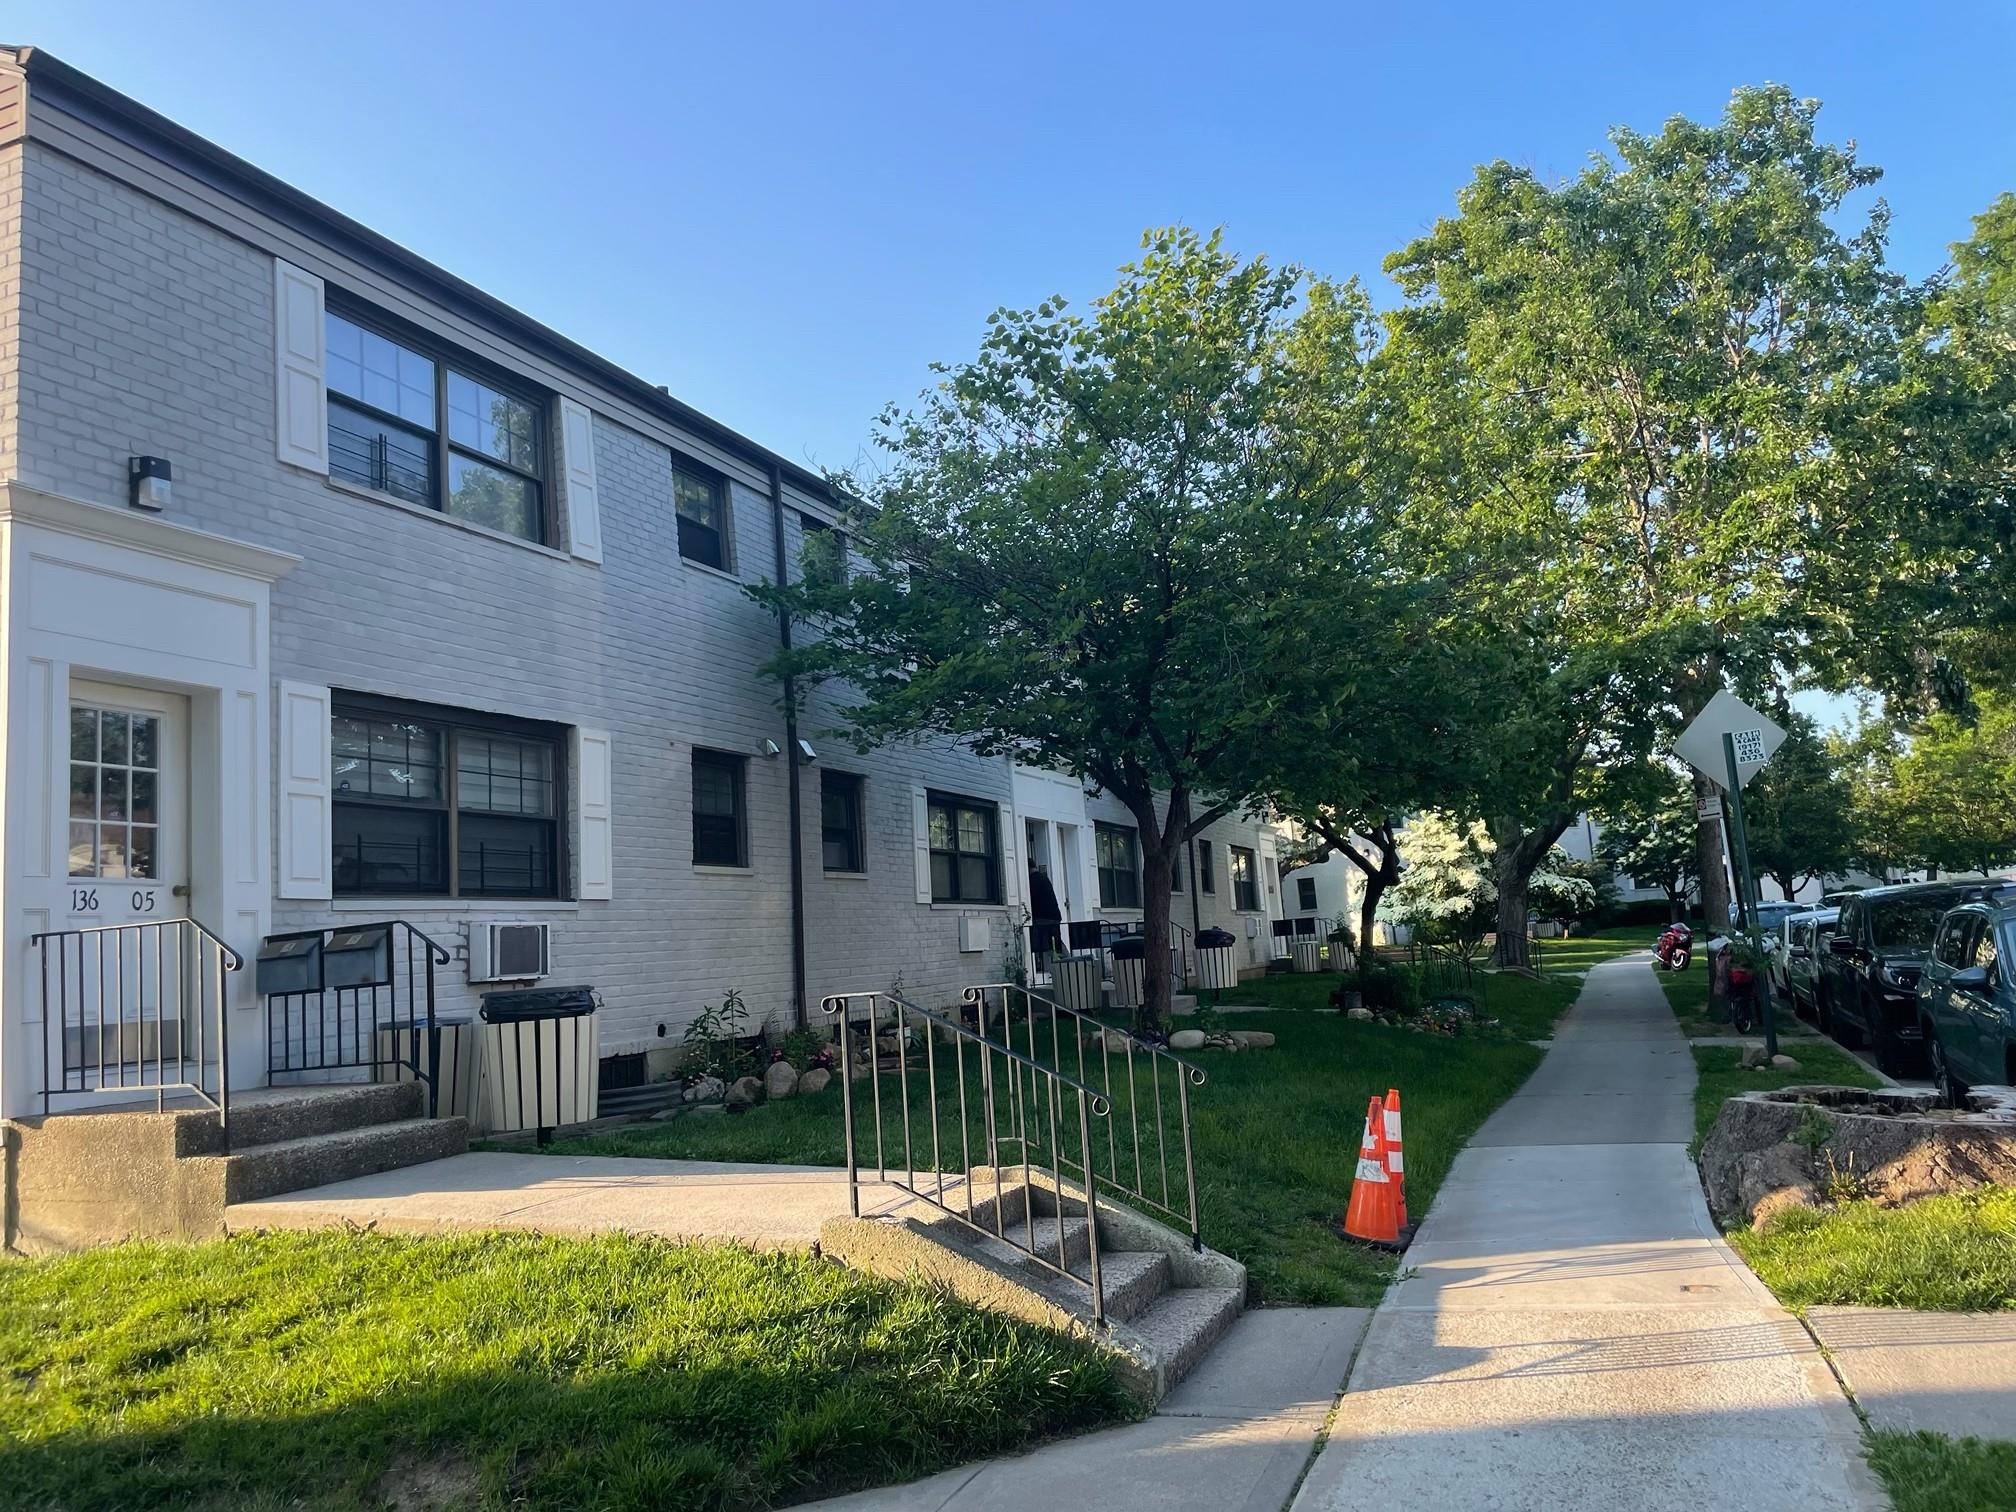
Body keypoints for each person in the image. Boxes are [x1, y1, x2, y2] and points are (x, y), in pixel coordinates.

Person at [1027, 861, 1063, 970]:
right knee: (1055, 945)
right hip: (1053, 916)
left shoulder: (1032, 880)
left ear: (1027, 867)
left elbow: (1033, 900)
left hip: (1043, 918)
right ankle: (1065, 967)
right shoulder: (1043, 878)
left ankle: (1063, 967)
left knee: (1042, 943)